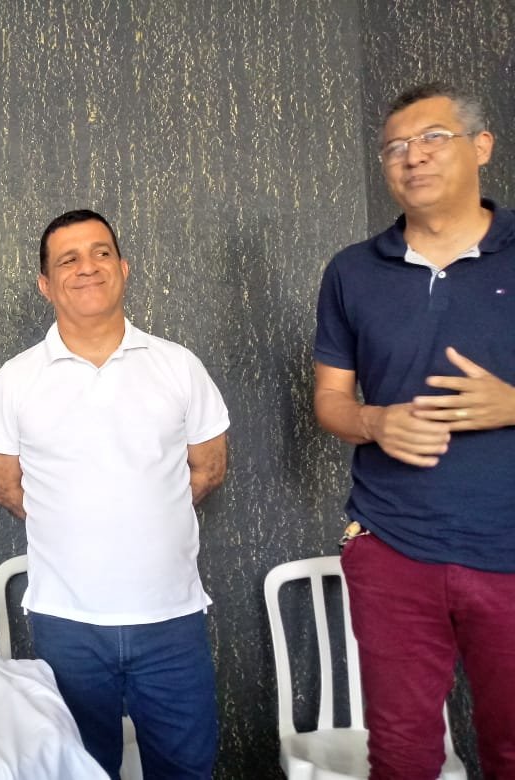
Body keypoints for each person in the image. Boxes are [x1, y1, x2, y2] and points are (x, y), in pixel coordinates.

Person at [0, 209, 229, 779]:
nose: (87, 267)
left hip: (171, 618)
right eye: (68, 259)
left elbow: (208, 468)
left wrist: (146, 510)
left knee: (186, 771)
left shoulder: (178, 366)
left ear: (123, 268)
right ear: (45, 284)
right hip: (67, 623)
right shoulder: (14, 380)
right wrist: (78, 519)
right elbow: (4, 485)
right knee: (80, 771)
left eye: (101, 253)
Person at [315, 82, 515, 777]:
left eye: (432, 138)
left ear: (481, 147)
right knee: (400, 754)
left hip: (508, 551)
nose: (413, 156)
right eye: (395, 147)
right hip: (393, 548)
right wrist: (373, 420)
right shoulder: (351, 271)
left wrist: (512, 403)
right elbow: (330, 401)